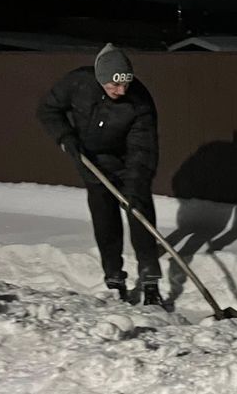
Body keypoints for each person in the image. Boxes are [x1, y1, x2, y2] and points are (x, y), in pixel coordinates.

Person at [37, 43, 163, 306]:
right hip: (91, 161)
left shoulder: (139, 102)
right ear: (101, 78)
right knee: (105, 221)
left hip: (129, 161)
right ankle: (114, 279)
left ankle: (151, 283)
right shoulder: (78, 83)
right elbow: (48, 109)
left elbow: (143, 148)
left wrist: (136, 184)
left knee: (139, 214)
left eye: (125, 84)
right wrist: (65, 137)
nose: (122, 91)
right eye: (115, 85)